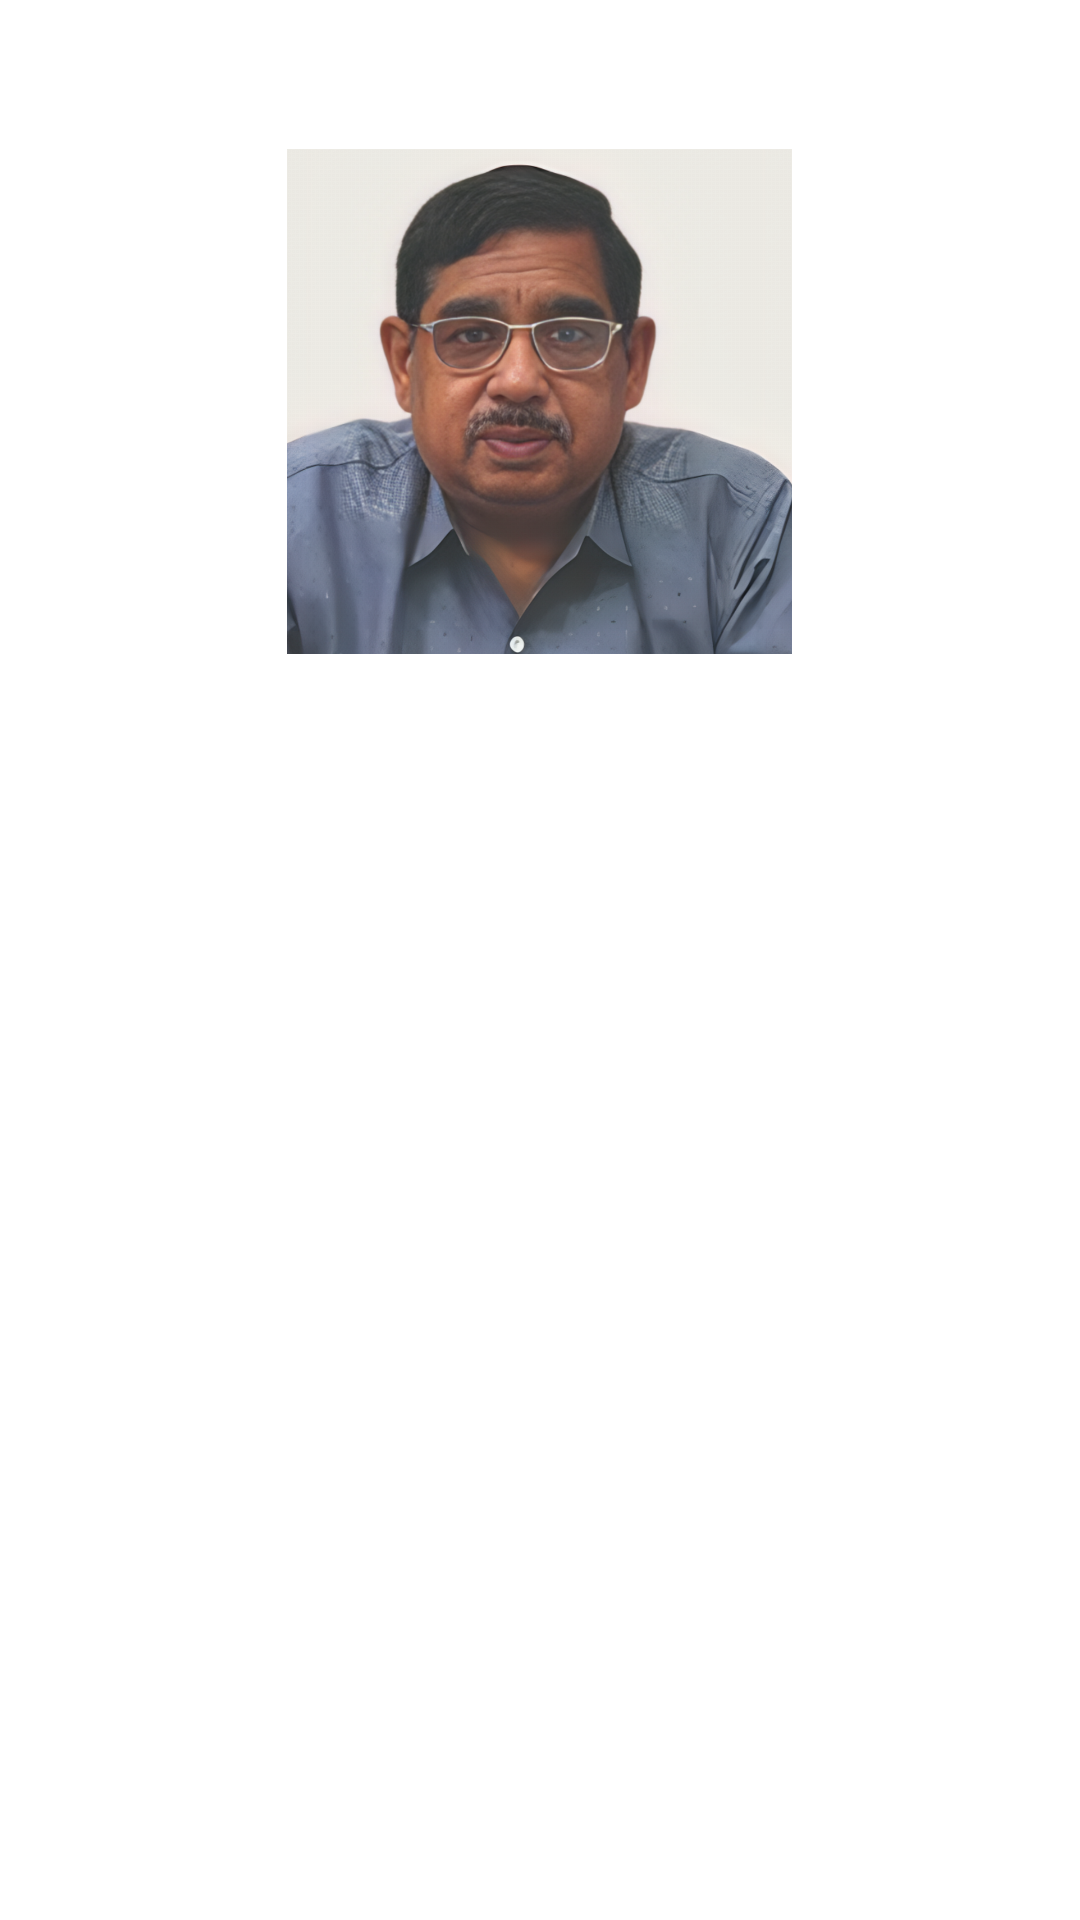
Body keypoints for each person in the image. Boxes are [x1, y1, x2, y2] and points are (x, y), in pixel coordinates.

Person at [287, 164, 791, 654]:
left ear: (633, 362)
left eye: (568, 334)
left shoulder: (741, 526)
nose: (518, 381)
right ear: (404, 364)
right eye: (472, 335)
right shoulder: (302, 515)